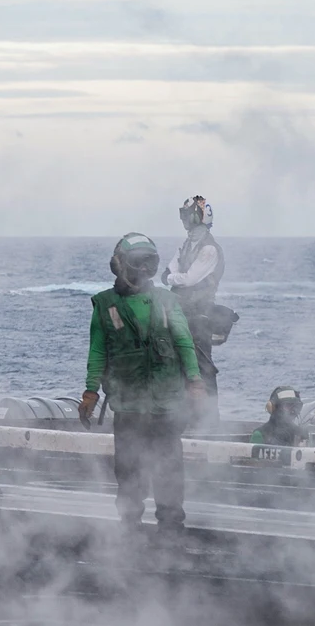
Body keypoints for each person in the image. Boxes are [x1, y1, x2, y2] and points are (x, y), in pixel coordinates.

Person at [79, 233, 206, 532]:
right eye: (136, 263)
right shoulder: (104, 305)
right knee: (129, 469)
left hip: (165, 407)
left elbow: (184, 342)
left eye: (147, 264)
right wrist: (90, 392)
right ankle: (130, 527)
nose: (141, 271)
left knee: (169, 469)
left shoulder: (166, 300)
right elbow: (97, 350)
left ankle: (171, 528)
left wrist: (195, 384)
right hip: (129, 407)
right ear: (119, 265)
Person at [165, 195, 225, 425]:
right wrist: (172, 276)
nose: (184, 220)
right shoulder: (189, 244)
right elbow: (172, 267)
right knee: (181, 365)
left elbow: (188, 278)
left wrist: (171, 277)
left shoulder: (209, 248)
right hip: (183, 315)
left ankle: (208, 421)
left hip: (200, 317)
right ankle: (188, 417)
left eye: (187, 215)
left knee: (201, 366)